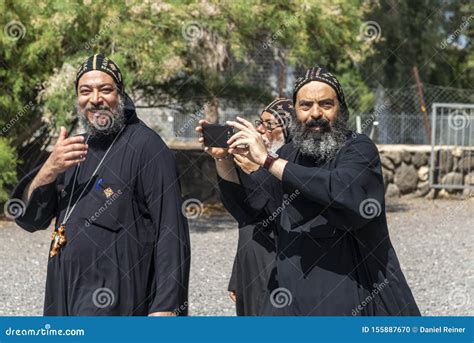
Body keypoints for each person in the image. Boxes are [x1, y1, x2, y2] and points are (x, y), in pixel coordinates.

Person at [197, 66, 420, 316]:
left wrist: (269, 162)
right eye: (305, 106)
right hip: (289, 294)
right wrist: (223, 160)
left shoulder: (358, 149)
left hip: (348, 290)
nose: (315, 113)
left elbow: (343, 190)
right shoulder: (289, 154)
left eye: (325, 104)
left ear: (341, 109)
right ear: (296, 112)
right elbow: (255, 210)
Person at [11, 54, 190, 316]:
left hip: (119, 301)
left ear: (120, 95)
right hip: (64, 297)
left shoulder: (147, 147)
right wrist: (49, 169)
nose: (95, 99)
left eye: (105, 89)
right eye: (85, 91)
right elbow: (29, 220)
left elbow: (171, 229)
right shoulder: (72, 149)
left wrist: (166, 307)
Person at [223, 99, 294, 315]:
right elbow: (245, 216)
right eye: (260, 123)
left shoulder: (295, 164)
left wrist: (259, 170)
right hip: (250, 266)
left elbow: (279, 212)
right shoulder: (256, 160)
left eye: (269, 124)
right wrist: (238, 274)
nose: (261, 130)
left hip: (277, 267)